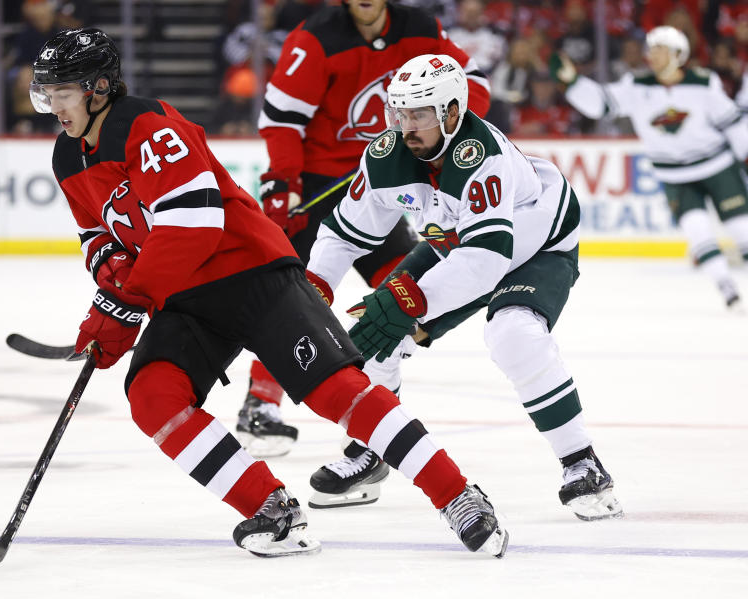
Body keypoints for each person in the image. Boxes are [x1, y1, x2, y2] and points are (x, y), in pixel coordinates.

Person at [31, 28, 509, 558]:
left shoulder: (148, 126)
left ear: (98, 88)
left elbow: (196, 220)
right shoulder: (67, 157)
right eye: (47, 94)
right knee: (152, 396)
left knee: (340, 393)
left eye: (62, 93)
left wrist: (128, 300)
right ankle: (271, 508)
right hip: (186, 298)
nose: (52, 106)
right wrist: (113, 280)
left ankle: (458, 495)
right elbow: (98, 235)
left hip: (253, 273)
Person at [305, 53, 623, 522]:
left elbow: (487, 260)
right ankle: (368, 451)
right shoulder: (385, 155)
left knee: (514, 334)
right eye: (399, 113)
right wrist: (314, 289)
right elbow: (343, 233)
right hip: (460, 238)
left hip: (537, 241)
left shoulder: (482, 155)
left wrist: (408, 301)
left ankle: (582, 462)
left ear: (453, 112)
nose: (406, 126)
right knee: (376, 335)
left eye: (420, 114)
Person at [239, 0, 492, 465]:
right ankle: (261, 404)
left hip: (380, 182)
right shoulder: (314, 38)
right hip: (320, 185)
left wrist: (440, 133)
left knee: (400, 290)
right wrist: (283, 184)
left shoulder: (420, 28)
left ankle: (379, 417)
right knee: (300, 298)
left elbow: (472, 82)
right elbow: (282, 120)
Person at [553, 26, 748, 308]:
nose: (652, 54)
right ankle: (727, 288)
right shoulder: (636, 86)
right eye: (651, 48)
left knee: (742, 228)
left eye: (660, 49)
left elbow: (732, 123)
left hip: (718, 167)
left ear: (679, 55)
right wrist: (573, 82)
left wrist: (744, 156)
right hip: (674, 175)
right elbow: (601, 104)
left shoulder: (704, 83)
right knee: (696, 229)